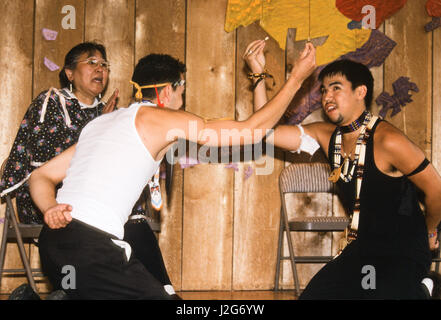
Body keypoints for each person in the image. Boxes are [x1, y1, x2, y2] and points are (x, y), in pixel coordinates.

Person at [27, 43, 316, 299]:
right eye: (182, 92)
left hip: (55, 245)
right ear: (167, 91)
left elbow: (40, 175)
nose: (182, 102)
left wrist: (50, 207)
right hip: (91, 249)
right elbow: (251, 131)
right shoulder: (161, 118)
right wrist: (296, 79)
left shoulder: (99, 124)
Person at [245, 47, 441, 299]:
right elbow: (261, 131)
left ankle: (425, 287)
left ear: (361, 92)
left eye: (336, 87)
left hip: (401, 249)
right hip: (361, 249)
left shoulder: (389, 140)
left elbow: (436, 189)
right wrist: (258, 75)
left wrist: (430, 231)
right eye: (324, 90)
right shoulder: (325, 135)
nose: (327, 96)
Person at [0, 42, 173, 298]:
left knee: (133, 216)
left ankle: (159, 289)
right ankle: (164, 292)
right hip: (50, 203)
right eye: (91, 62)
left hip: (97, 213)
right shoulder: (52, 101)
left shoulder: (109, 113)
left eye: (104, 64)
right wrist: (97, 127)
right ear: (69, 73)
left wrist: (105, 122)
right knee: (128, 219)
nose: (100, 69)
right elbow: (48, 159)